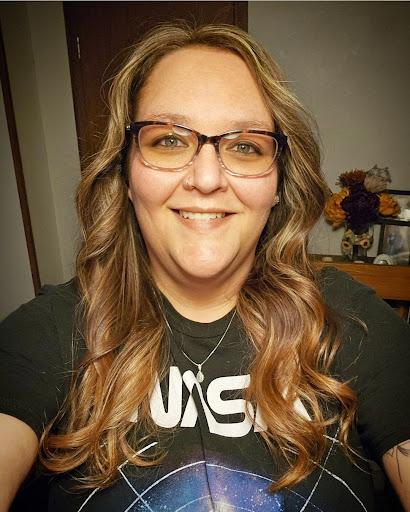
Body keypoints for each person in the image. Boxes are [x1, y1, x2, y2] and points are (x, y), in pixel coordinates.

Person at [1, 22, 409, 512]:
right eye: (169, 140)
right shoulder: (56, 326)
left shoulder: (350, 318)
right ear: (126, 174)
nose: (208, 178)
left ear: (278, 183)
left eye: (245, 145)